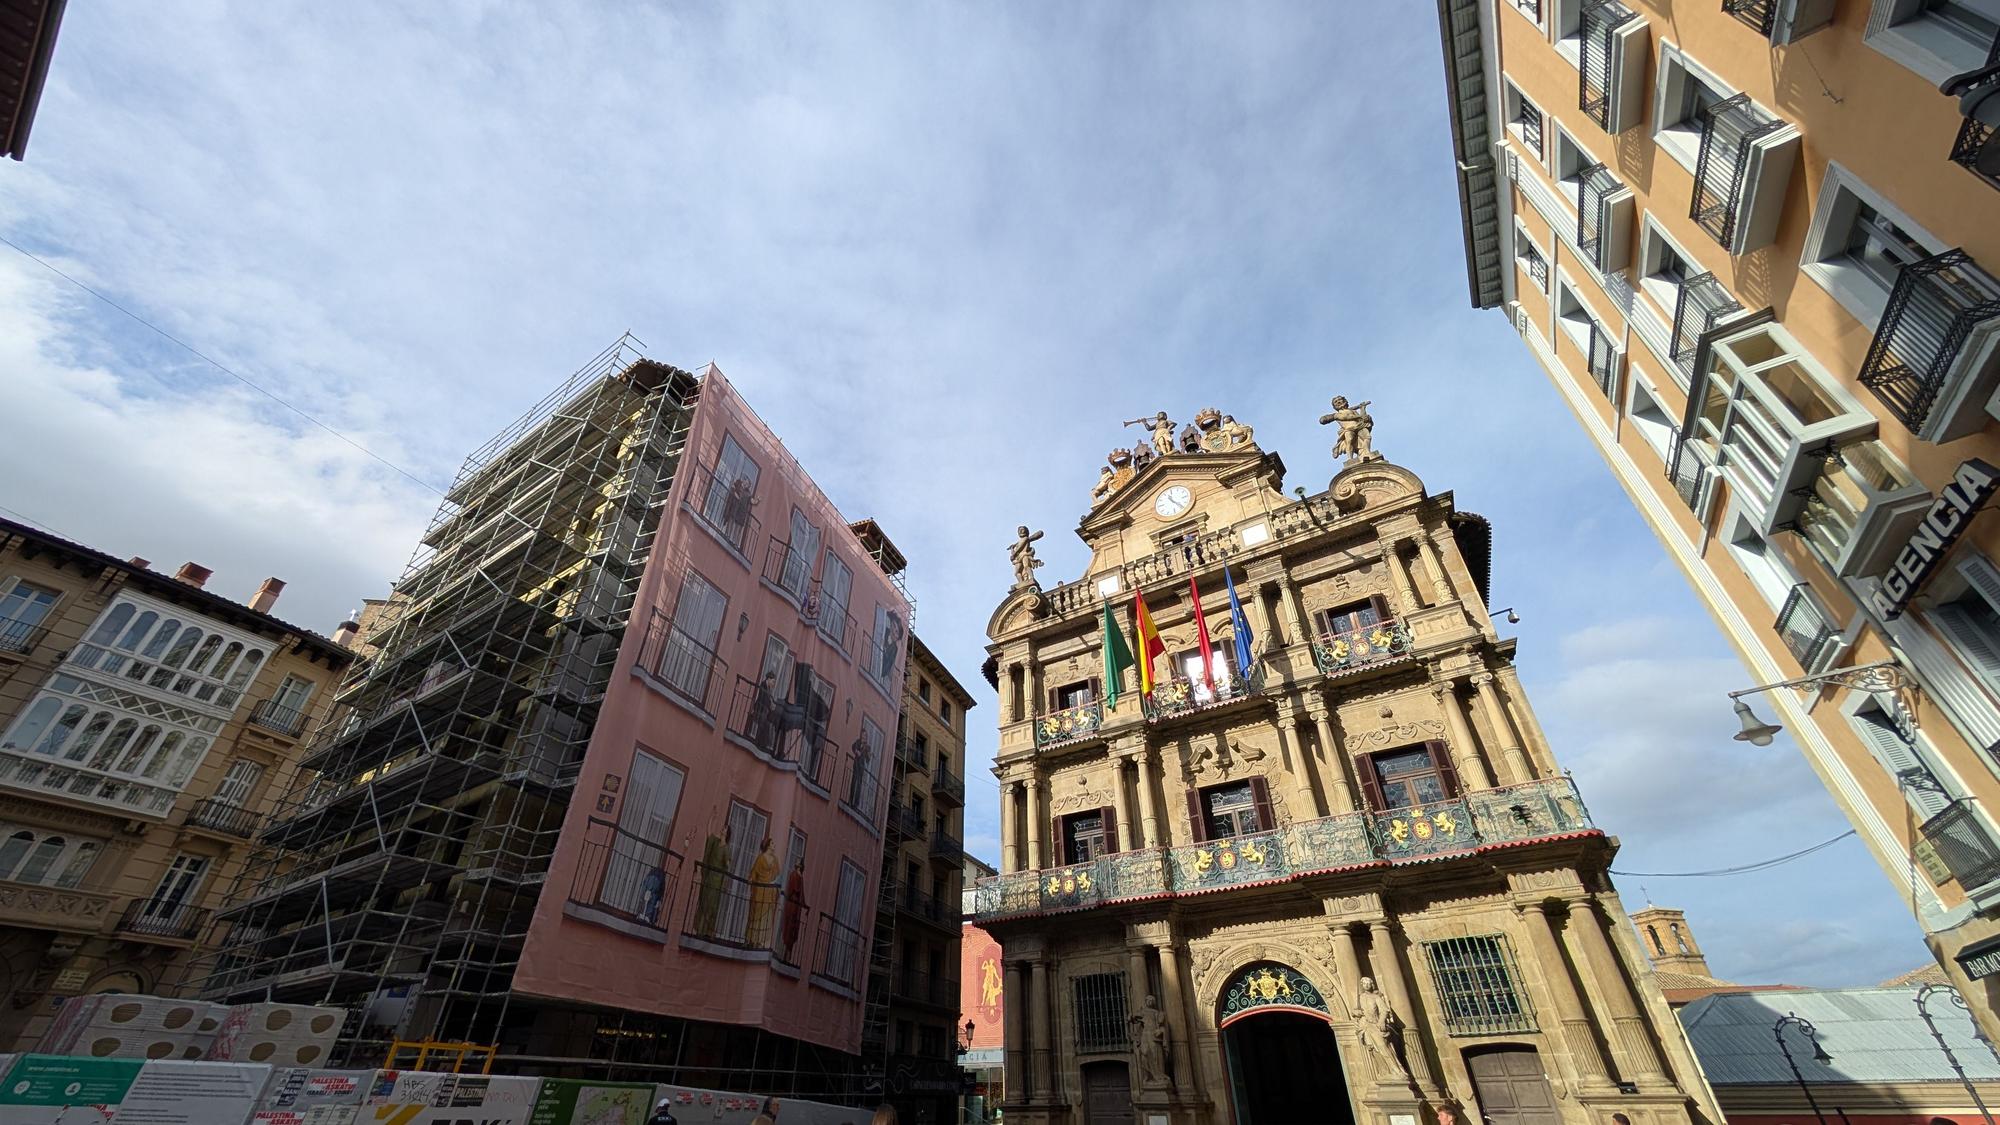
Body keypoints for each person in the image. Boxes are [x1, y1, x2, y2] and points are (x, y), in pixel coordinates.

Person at [693, 822, 730, 938]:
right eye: (723, 827)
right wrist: (711, 819)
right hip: (709, 877)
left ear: (727, 833)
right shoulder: (715, 842)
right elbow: (709, 834)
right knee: (704, 901)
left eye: (725, 828)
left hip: (717, 880)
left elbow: (728, 864)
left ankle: (707, 931)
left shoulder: (726, 848)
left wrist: (725, 880)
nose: (722, 829)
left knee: (711, 904)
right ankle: (700, 929)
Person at [747, 836, 780, 947]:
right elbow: (754, 872)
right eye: (773, 843)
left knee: (766, 917)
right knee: (757, 915)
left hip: (769, 891)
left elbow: (777, 874)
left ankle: (761, 942)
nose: (774, 845)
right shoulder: (761, 858)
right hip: (760, 889)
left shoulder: (775, 860)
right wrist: (751, 879)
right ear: (768, 845)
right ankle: (752, 940)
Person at [781, 857, 807, 957]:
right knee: (789, 924)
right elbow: (793, 889)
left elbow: (801, 892)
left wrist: (804, 904)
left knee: (793, 926)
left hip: (795, 904)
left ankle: (788, 951)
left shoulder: (800, 876)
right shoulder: (794, 874)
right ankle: (786, 950)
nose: (797, 863)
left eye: (798, 862)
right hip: (792, 903)